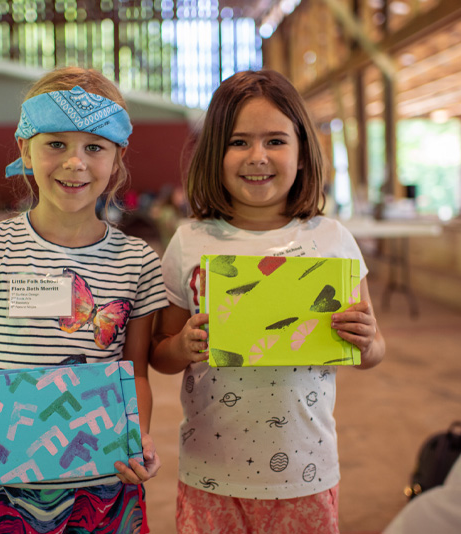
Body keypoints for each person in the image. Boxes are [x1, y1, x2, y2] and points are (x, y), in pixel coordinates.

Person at [0, 66, 169, 534]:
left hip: (109, 488)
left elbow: (135, 371)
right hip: (9, 490)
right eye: (55, 143)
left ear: (117, 158)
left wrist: (136, 439)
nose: (75, 163)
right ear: (25, 149)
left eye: (94, 147)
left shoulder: (137, 260)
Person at [150, 69, 386, 534]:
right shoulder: (190, 241)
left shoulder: (331, 239)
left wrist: (368, 341)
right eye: (238, 142)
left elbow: (373, 349)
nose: (257, 156)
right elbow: (159, 351)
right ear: (214, 152)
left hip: (307, 473)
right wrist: (181, 347)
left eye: (275, 140)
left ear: (302, 151)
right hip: (210, 472)